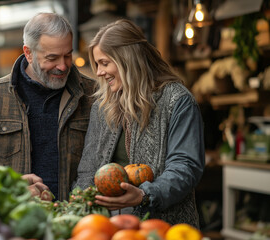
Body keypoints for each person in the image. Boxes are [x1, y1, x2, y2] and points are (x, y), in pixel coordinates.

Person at [74, 19, 205, 227]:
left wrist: (145, 195)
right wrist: (77, 212)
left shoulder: (177, 101)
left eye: (104, 63)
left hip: (164, 227)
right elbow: (88, 170)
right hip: (108, 227)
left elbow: (185, 166)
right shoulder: (102, 107)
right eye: (97, 64)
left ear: (127, 60)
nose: (98, 72)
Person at [0, 13, 96, 201]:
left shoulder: (93, 95)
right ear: (28, 53)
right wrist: (9, 179)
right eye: (52, 58)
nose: (62, 66)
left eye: (67, 55)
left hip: (79, 219)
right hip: (15, 213)